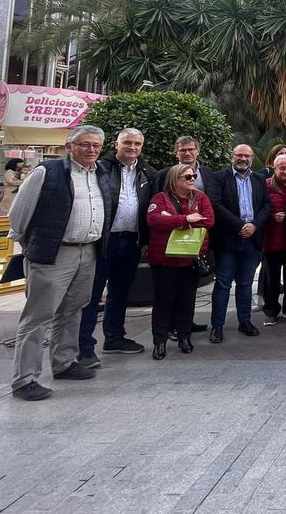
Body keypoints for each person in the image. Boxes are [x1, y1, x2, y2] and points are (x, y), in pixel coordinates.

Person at [7, 125, 112, 401]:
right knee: (38, 316)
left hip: (87, 251)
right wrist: (27, 246)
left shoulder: (100, 173)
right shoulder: (47, 172)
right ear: (69, 147)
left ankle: (64, 362)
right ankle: (25, 378)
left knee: (73, 309)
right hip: (54, 253)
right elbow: (19, 214)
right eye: (85, 144)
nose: (91, 150)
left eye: (96, 146)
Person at [78, 128, 155, 367]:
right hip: (104, 241)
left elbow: (148, 209)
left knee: (120, 293)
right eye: (128, 143)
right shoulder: (101, 168)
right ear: (117, 144)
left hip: (131, 240)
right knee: (92, 295)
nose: (132, 147)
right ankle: (84, 346)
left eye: (137, 144)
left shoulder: (147, 173)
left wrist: (147, 240)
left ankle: (114, 337)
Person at [145, 163, 214, 358]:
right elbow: (154, 220)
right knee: (163, 301)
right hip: (164, 260)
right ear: (174, 180)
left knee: (187, 300)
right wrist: (186, 219)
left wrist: (174, 219)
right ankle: (159, 341)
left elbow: (208, 220)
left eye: (193, 176)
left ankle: (184, 336)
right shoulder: (160, 198)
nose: (193, 180)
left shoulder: (201, 197)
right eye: (188, 177)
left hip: (190, 259)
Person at [205, 144, 271, 343]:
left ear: (252, 158)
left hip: (252, 241)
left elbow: (266, 205)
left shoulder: (259, 178)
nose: (243, 159)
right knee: (223, 284)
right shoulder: (218, 177)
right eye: (239, 155)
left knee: (245, 284)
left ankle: (245, 321)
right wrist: (240, 225)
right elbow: (215, 204)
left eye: (247, 156)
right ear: (232, 157)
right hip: (227, 240)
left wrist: (254, 226)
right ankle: (217, 326)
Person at [261, 154, 286, 325]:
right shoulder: (265, 185)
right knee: (271, 279)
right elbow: (258, 209)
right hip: (271, 240)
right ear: (274, 169)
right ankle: (271, 311)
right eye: (282, 168)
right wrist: (272, 216)